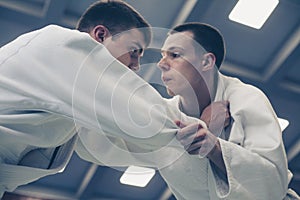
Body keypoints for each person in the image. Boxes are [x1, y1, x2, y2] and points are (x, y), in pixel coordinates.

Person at [0, 0, 213, 197]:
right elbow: (141, 114)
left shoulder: (73, 91)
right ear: (101, 35)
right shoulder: (64, 44)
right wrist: (196, 125)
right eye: (133, 51)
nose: (137, 66)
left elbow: (105, 142)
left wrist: (182, 128)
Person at [156, 22, 299, 199]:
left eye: (175, 55)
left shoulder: (245, 98)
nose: (161, 64)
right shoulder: (164, 114)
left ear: (207, 62)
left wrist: (214, 148)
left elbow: (271, 185)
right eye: (162, 55)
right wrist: (205, 126)